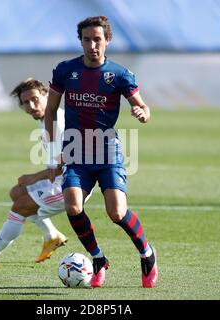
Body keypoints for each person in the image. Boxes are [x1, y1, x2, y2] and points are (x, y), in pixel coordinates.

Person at [44, 16, 158, 288]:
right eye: (87, 39)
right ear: (80, 41)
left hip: (108, 153)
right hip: (75, 153)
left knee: (117, 213)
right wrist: (51, 154)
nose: (92, 45)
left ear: (107, 40)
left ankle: (147, 253)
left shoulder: (119, 74)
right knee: (73, 206)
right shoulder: (65, 71)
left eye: (98, 39)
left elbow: (145, 108)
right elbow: (50, 112)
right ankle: (97, 258)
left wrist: (142, 113)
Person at [0, 79, 69, 266]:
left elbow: (64, 164)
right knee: (17, 192)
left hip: (73, 186)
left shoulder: (57, 122)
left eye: (35, 99)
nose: (31, 106)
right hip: (60, 178)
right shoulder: (46, 121)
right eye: (26, 103)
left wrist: (33, 177)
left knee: (21, 206)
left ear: (47, 96)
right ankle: (51, 236)